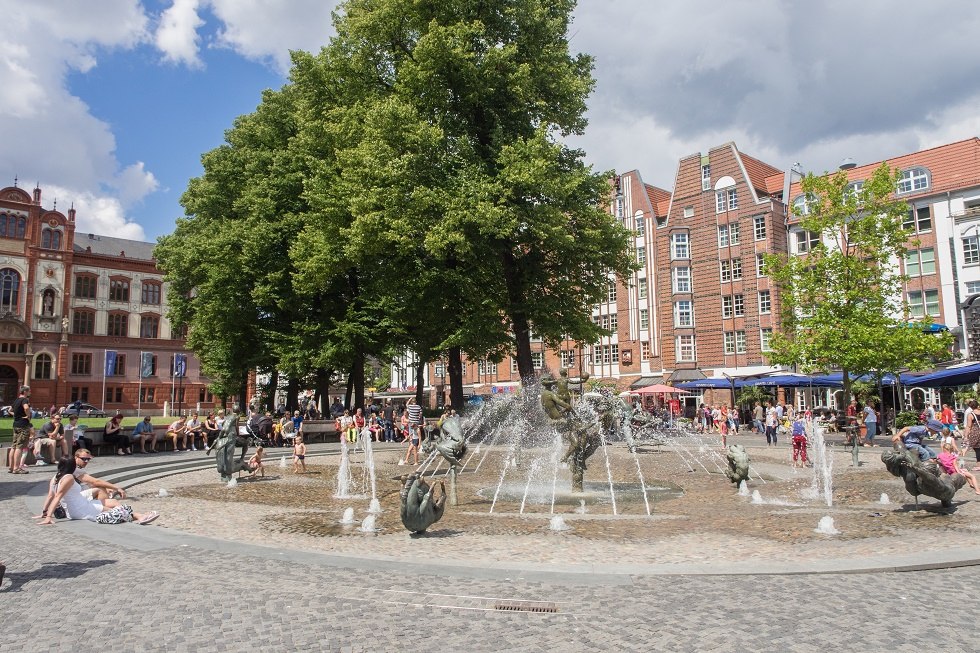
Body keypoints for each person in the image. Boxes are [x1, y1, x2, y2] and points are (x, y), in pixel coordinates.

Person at [35, 456, 158, 525]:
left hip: (79, 504)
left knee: (113, 503)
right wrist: (48, 517)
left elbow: (50, 496)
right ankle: (140, 517)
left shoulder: (55, 477)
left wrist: (44, 512)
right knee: (114, 511)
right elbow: (57, 496)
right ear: (72, 466)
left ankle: (139, 516)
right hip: (80, 509)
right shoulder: (69, 478)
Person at [7, 385, 33, 474]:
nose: (30, 392)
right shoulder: (24, 400)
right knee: (20, 446)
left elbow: (9, 410)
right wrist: (28, 416)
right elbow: (26, 408)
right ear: (25, 392)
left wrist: (16, 415)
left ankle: (11, 467)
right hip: (23, 425)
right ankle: (16, 468)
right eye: (29, 391)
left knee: (14, 446)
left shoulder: (16, 400)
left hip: (16, 425)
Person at [964, 399, 980, 472]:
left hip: (976, 433)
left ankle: (979, 465)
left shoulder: (970, 415)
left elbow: (969, 426)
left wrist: (966, 436)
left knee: (977, 449)